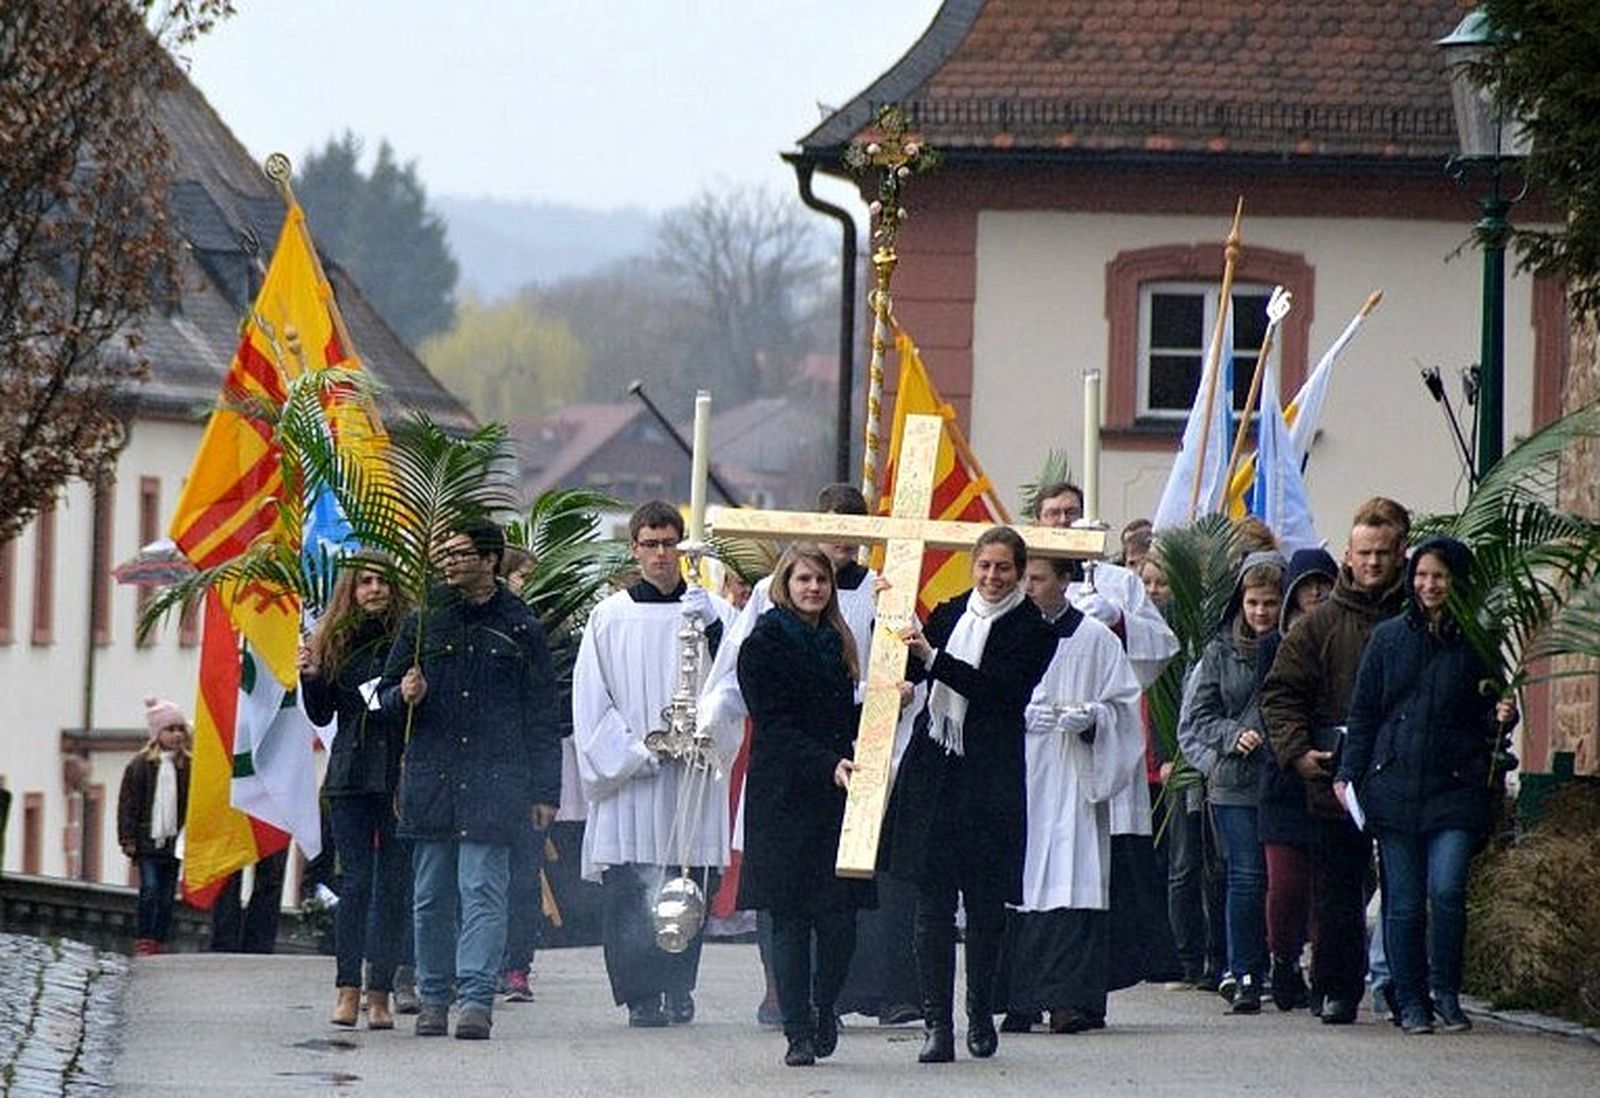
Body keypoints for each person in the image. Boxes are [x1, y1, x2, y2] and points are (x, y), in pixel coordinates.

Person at [880, 526, 1057, 1063]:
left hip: (990, 779)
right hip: (935, 770)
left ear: (1020, 573)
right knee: (931, 906)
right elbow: (913, 663)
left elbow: (1000, 693)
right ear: (973, 567)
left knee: (984, 908)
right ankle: (937, 1024)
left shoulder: (1035, 629)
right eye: (984, 566)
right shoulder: (952, 610)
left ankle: (980, 1015)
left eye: (1004, 568)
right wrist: (895, 635)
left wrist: (934, 662)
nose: (992, 577)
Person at [381, 519, 563, 1041]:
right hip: (432, 779)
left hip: (496, 782)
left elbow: (542, 714)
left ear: (490, 560)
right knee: (431, 895)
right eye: (445, 552)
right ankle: (434, 997)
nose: (450, 562)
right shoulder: (422, 622)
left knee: (483, 891)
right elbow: (381, 697)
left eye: (461, 553)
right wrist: (403, 695)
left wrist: (544, 793)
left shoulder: (520, 626)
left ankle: (476, 999)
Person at [1336, 536, 1516, 1034]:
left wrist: (1505, 713)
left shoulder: (1479, 642)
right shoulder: (1389, 638)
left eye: (1439, 576)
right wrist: (1349, 773)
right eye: (1421, 575)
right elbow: (1365, 710)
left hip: (1455, 785)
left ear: (1457, 581)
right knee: (1405, 900)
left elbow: (1492, 713)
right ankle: (1410, 998)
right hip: (1393, 784)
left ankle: (1446, 992)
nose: (1429, 585)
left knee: (1448, 887)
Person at [573, 500, 737, 1028]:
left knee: (686, 880)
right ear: (634, 549)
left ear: (682, 547)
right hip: (633, 778)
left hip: (692, 773)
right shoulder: (610, 616)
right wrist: (640, 752)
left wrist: (704, 731)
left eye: (670, 543)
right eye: (651, 544)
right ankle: (641, 994)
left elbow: (736, 680)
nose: (661, 554)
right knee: (629, 888)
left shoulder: (710, 611)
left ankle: (677, 986)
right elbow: (591, 699)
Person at [1262, 497, 1410, 1025]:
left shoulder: (1419, 618)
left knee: (1403, 890)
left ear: (1399, 554)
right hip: (1333, 777)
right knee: (1337, 892)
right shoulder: (1317, 625)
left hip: (1402, 778)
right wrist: (1297, 751)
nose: (1372, 563)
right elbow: (1280, 694)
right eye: (1363, 553)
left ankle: (1406, 989)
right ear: (1347, 555)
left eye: (1382, 553)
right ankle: (1336, 989)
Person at [1035, 481, 1183, 1001]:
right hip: (1041, 751)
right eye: (1054, 514)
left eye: (1072, 513)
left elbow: (1160, 648)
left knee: (1101, 869)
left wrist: (1118, 621)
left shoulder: (1117, 582)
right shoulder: (1027, 580)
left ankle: (1096, 977)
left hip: (1099, 742)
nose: (1064, 521)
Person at [735, 544, 872, 1066]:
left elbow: (838, 717)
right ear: (785, 585)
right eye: (803, 580)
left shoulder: (836, 641)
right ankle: (797, 1030)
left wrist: (884, 708)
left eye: (821, 581)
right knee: (790, 919)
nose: (813, 588)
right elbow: (776, 724)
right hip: (786, 794)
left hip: (836, 792)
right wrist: (826, 762)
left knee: (840, 920)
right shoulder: (764, 644)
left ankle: (824, 1006)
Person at [997, 555, 1143, 1034]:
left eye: (1038, 579)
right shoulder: (1002, 631)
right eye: (1025, 579)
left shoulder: (1095, 639)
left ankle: (1069, 1001)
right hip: (1018, 774)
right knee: (1018, 880)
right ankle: (1020, 1000)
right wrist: (1010, 717)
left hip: (1074, 779)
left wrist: (1093, 719)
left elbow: (1124, 706)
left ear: (1064, 580)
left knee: (1072, 875)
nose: (1029, 587)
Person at [300, 555, 412, 1029]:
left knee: (392, 887)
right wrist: (309, 677)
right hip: (349, 774)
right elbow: (323, 714)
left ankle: (381, 991)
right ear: (351, 588)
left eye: (382, 581)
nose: (374, 590)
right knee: (357, 884)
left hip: (397, 775)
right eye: (365, 582)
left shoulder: (409, 637)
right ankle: (348, 988)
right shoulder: (334, 640)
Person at [1178, 551, 1286, 1014]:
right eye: (1254, 603)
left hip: (1284, 779)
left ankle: (1284, 965)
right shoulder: (1219, 651)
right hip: (1235, 780)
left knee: (1284, 880)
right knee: (1246, 875)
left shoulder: (1298, 644)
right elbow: (1199, 716)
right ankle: (1243, 971)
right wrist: (1230, 736)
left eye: (1271, 603)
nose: (1261, 613)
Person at [1256, 547, 1338, 1011]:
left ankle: (1325, 968)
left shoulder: (1346, 633)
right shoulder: (1274, 643)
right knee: (1285, 884)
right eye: (1307, 587)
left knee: (1329, 884)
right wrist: (1294, 750)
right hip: (1286, 777)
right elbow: (1272, 704)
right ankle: (1282, 960)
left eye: (1323, 585)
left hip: (1333, 771)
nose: (1316, 595)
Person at [496, 545, 544, 1004]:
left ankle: (516, 964)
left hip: (524, 772)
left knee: (523, 877)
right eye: (522, 576)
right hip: (485, 769)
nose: (526, 586)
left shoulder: (535, 628)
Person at [118, 697, 192, 956]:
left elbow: (191, 805)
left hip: (175, 841)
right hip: (148, 839)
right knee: (149, 889)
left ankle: (160, 937)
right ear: (157, 734)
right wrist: (127, 838)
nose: (176, 735)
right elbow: (128, 803)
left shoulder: (188, 765)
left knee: (167, 894)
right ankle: (145, 936)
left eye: (180, 729)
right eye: (170, 730)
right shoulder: (141, 765)